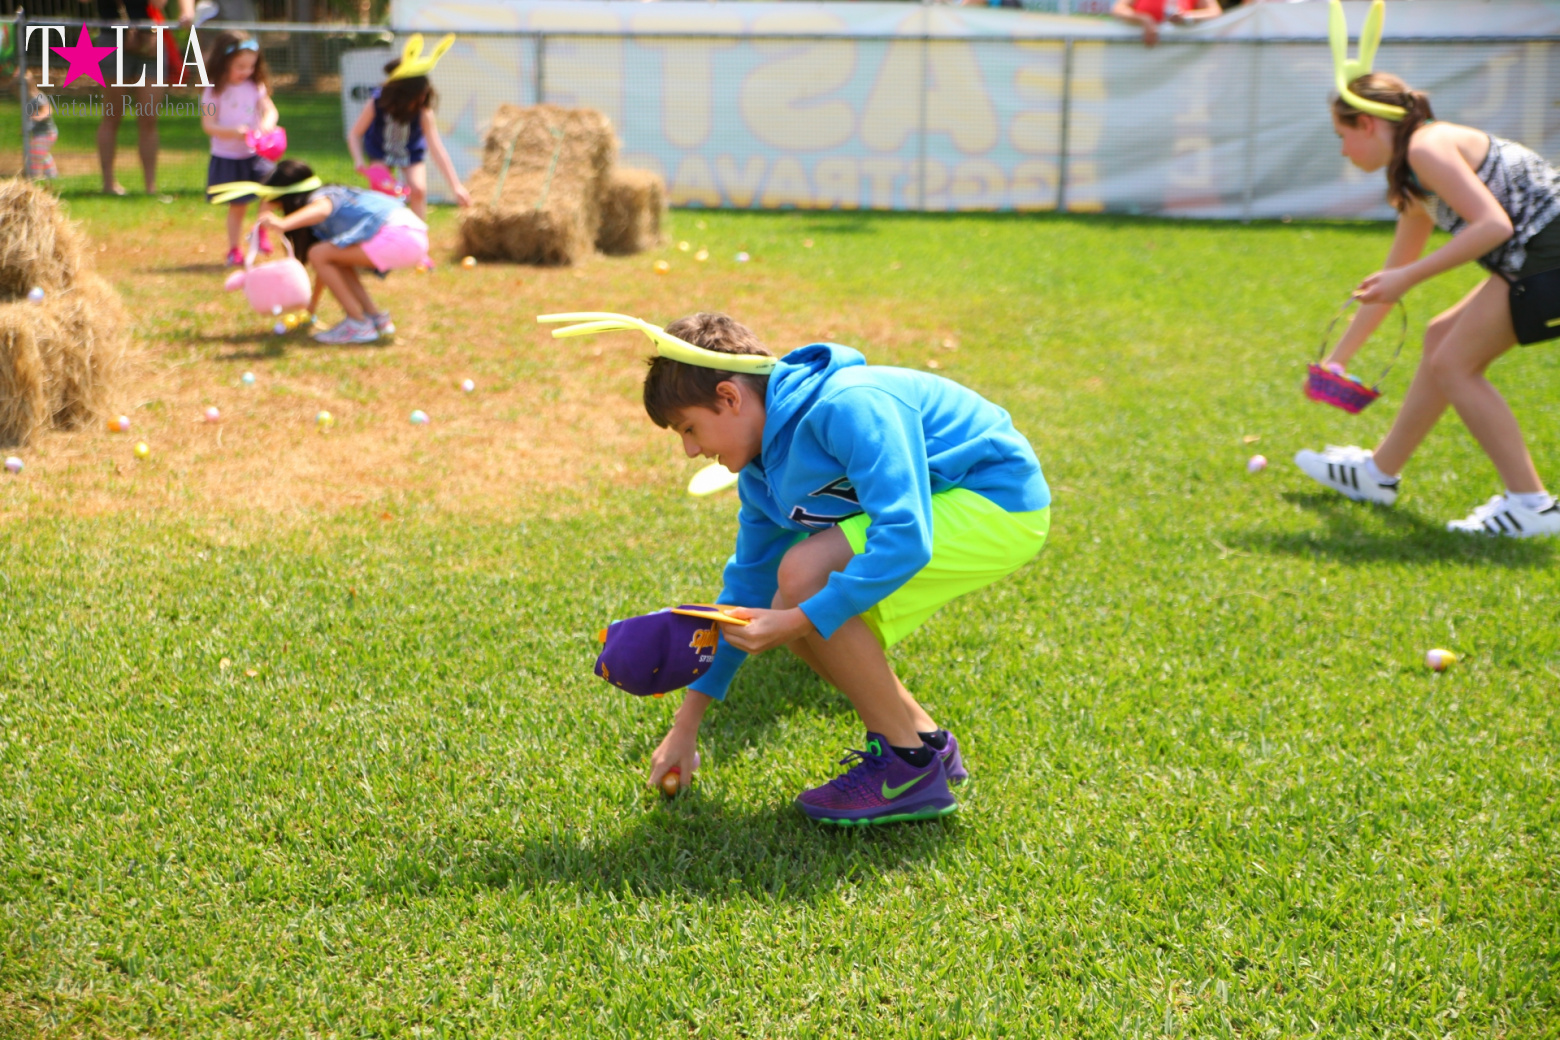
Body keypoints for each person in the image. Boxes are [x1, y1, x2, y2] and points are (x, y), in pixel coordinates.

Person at [546, 312, 1051, 825]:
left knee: (803, 578)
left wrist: (797, 619)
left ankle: (905, 768)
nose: (690, 450)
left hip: (999, 502)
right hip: (950, 515)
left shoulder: (847, 404)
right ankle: (924, 742)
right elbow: (744, 592)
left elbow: (906, 537)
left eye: (690, 428)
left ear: (729, 397)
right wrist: (687, 723)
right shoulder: (761, 477)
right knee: (790, 599)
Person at [1294, 1, 1560, 537]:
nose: (1343, 150)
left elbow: (1494, 225)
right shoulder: (1413, 180)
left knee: (1455, 363)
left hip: (1545, 254)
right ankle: (1377, 474)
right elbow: (1387, 284)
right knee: (1442, 339)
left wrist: (1408, 279)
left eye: (1342, 135)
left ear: (1367, 124)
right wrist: (1337, 361)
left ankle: (1532, 504)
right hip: (1538, 255)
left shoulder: (1426, 147)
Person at [239, 159, 430, 344]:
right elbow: (325, 270)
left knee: (318, 253)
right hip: (415, 236)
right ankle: (375, 318)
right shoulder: (328, 204)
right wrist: (311, 307)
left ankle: (358, 324)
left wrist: (284, 223)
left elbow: (322, 210)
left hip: (398, 235)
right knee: (331, 257)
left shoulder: (322, 196)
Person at [346, 34, 471, 221]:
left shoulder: (423, 111)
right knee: (382, 193)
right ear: (403, 94)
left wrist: (456, 186)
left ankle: (418, 237)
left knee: (418, 190)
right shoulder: (377, 103)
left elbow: (437, 149)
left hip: (410, 153)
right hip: (380, 152)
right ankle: (381, 232)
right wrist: (358, 160)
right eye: (417, 96)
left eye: (424, 95)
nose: (421, 99)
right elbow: (355, 134)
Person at [96, 0, 192, 195]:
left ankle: (151, 188)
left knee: (148, 118)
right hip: (112, 39)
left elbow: (159, 3)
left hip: (150, 39)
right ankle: (109, 185)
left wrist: (186, 11)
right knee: (112, 116)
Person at [202, 30, 280, 267]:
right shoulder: (212, 91)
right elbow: (208, 125)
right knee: (238, 206)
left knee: (274, 190)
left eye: (251, 66)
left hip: (256, 155)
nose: (246, 71)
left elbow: (271, 111)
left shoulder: (255, 86)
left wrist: (266, 126)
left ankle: (259, 232)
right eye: (240, 66)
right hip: (228, 157)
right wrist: (236, 131)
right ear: (223, 62)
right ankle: (234, 250)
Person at [1110, 0, 1221, 48]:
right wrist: (1144, 19)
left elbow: (1214, 11)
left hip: (1180, 58)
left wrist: (1187, 17)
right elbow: (1118, 9)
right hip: (1140, 54)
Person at [24, 70, 58, 180]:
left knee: (37, 153)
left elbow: (48, 110)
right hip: (39, 133)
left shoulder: (38, 96)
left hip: (47, 132)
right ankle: (44, 176)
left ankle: (41, 176)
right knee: (38, 154)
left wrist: (36, 118)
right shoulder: (27, 100)